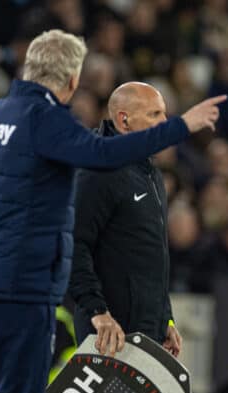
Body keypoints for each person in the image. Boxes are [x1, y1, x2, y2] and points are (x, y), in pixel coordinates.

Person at [0, 29, 226, 393]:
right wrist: (182, 126)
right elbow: (100, 155)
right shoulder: (45, 119)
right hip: (19, 285)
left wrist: (165, 317)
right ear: (72, 78)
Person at [69, 81, 184, 358]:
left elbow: (154, 256)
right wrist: (97, 311)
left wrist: (165, 319)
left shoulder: (151, 174)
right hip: (108, 332)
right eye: (154, 115)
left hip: (146, 333)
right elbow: (73, 245)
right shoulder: (98, 170)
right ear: (124, 120)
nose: (165, 123)